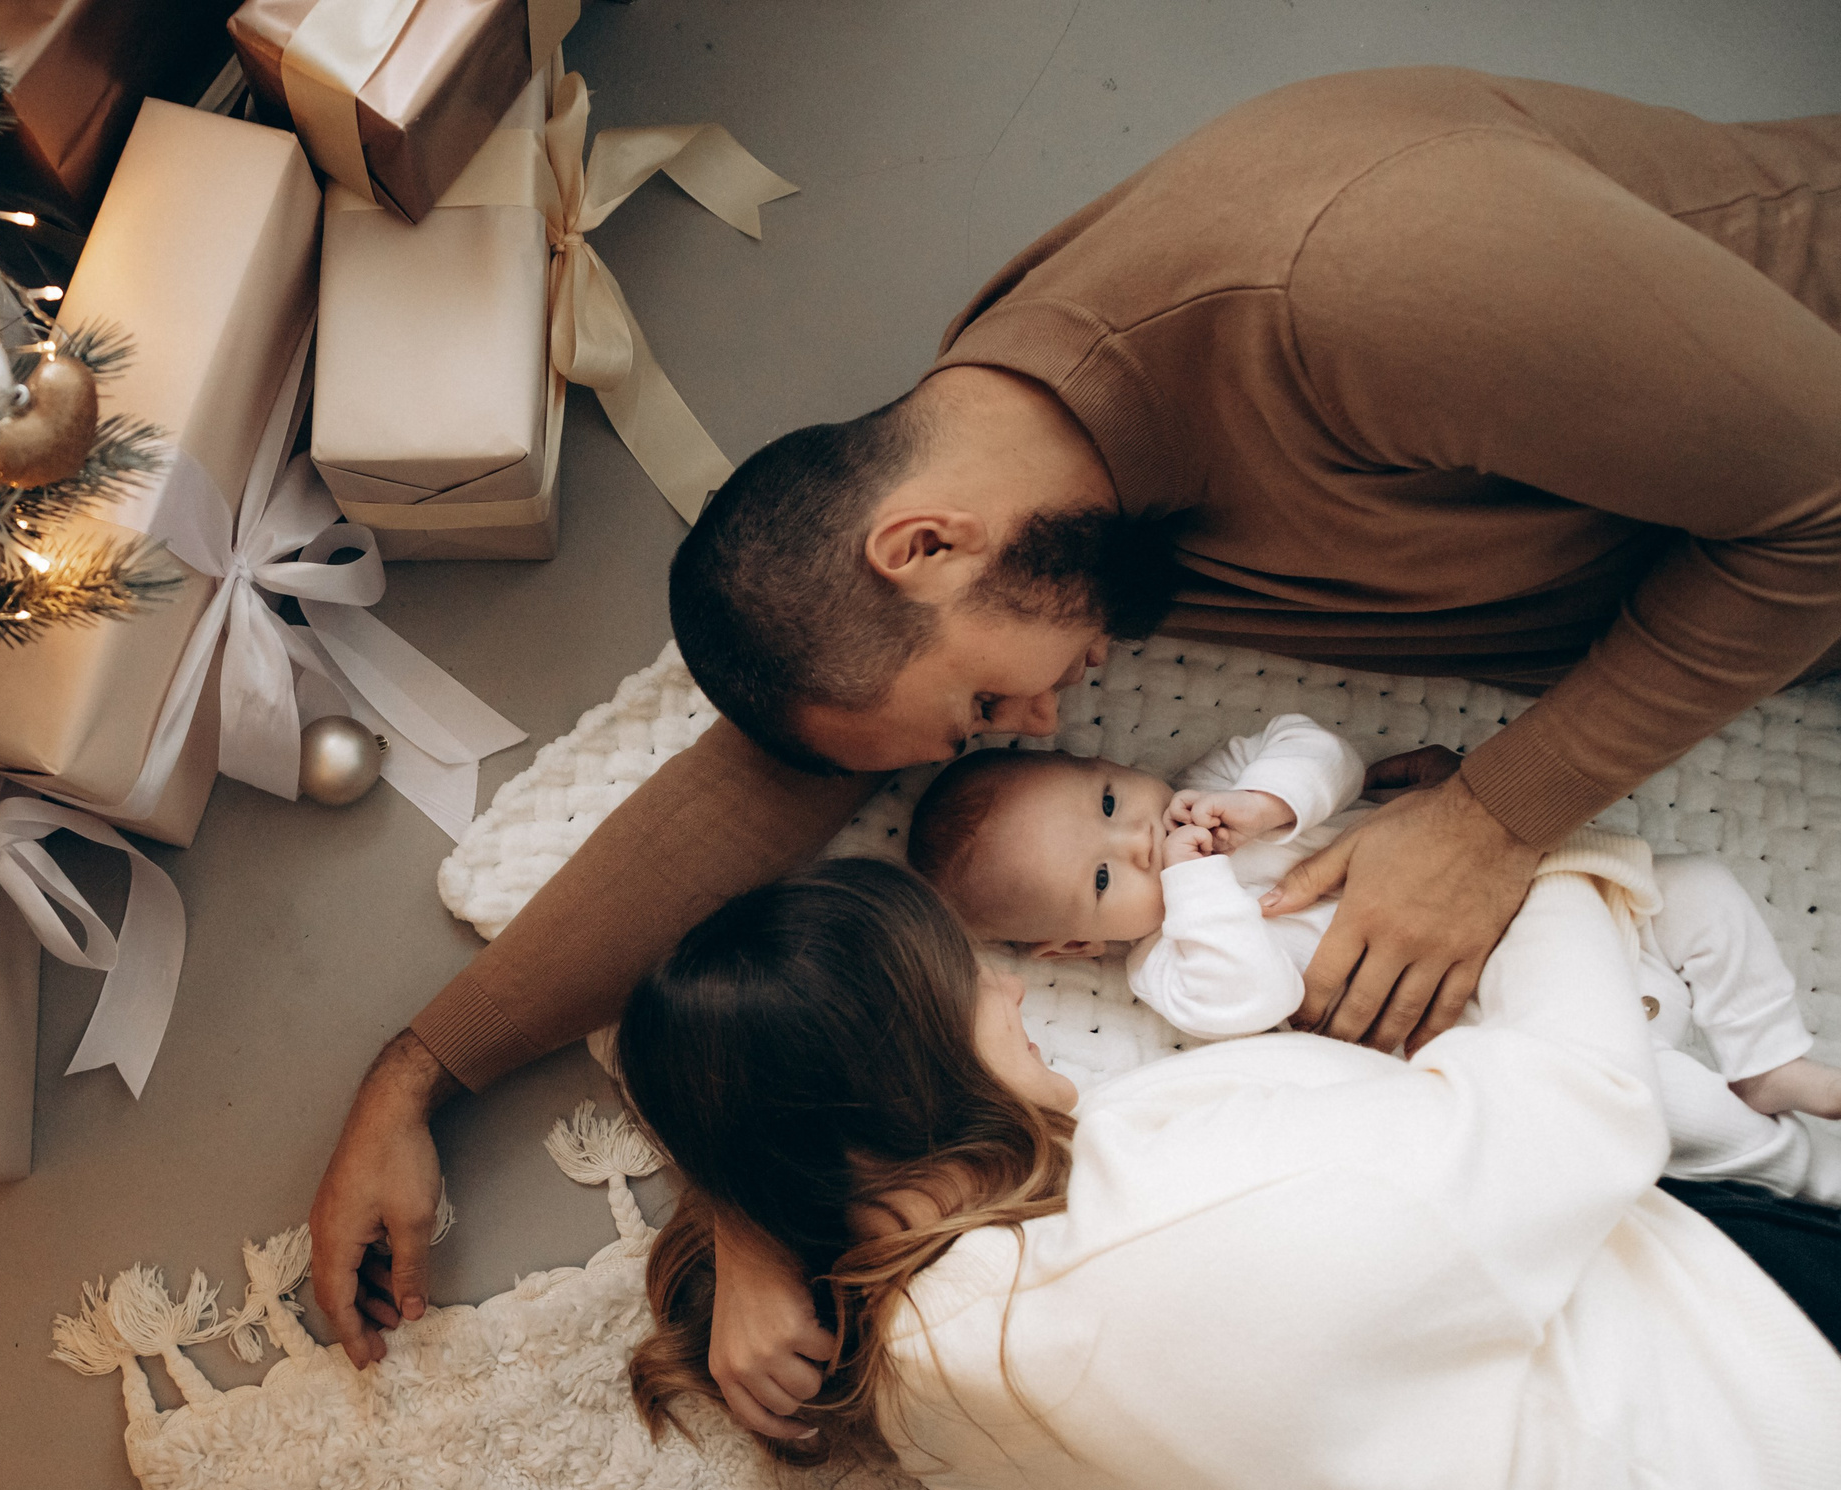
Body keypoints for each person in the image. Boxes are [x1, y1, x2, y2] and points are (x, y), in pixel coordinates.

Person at [312, 67, 1841, 1390]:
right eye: (992, 724)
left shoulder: (1356, 285)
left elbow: (1822, 503)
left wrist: (1494, 818)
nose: (1038, 726)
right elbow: (759, 784)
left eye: (986, 708)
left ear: (923, 544)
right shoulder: (1021, 472)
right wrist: (418, 1075)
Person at [617, 859, 1841, 1490]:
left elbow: (692, 1065)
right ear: (887, 1080)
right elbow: (1589, 1100)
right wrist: (1551, 863)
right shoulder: (1186, 1221)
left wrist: (752, 1219)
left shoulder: (907, 1376)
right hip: (1774, 1431)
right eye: (963, 977)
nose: (1013, 982)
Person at [905, 717, 1841, 1199]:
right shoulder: (1166, 962)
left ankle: (1767, 1057)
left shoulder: (1221, 785)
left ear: (1109, 767)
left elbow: (1320, 749)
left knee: (1704, 887)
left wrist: (1268, 805)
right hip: (1526, 1007)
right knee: (1655, 1101)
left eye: (1111, 805)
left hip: (1580, 903)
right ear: (1077, 946)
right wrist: (1195, 884)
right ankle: (1805, 1172)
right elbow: (1249, 997)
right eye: (1106, 879)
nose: (1143, 842)